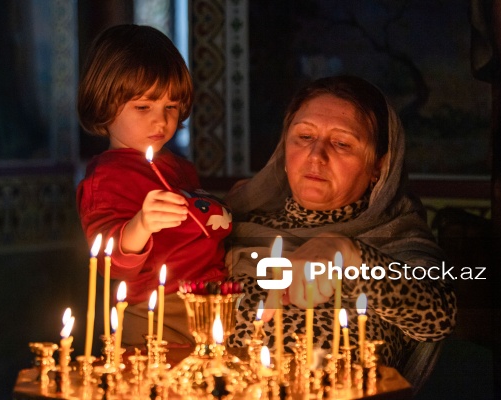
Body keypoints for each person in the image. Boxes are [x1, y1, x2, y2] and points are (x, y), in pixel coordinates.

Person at [224, 76, 456, 383]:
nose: (316, 155)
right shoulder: (235, 227)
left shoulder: (395, 238)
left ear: (378, 167)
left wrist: (349, 254)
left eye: (342, 143)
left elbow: (437, 315)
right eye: (304, 137)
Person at [76, 24, 232, 345]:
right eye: (143, 107)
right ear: (104, 103)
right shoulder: (105, 177)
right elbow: (109, 261)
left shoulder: (180, 168)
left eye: (170, 107)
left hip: (213, 302)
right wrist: (140, 225)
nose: (160, 121)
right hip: (159, 316)